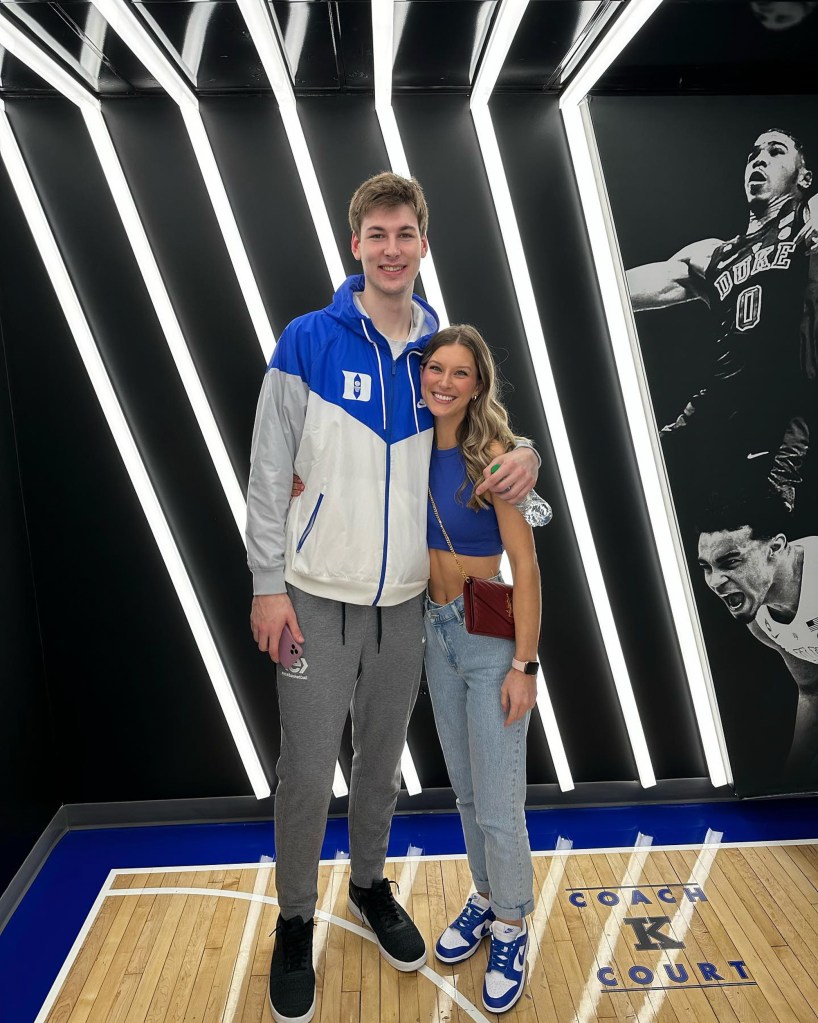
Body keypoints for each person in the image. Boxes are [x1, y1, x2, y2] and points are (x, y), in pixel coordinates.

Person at [246, 172, 540, 1023]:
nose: (391, 247)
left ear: (422, 243)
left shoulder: (431, 354)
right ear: (354, 244)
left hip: (408, 606)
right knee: (306, 769)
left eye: (405, 232)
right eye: (376, 233)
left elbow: (479, 432)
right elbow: (270, 472)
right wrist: (269, 585)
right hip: (315, 598)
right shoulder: (307, 339)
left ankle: (370, 885)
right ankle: (297, 918)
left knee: (379, 766)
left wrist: (529, 453)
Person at [420, 325, 541, 1014]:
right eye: (435, 367)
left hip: (487, 634)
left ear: (477, 383)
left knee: (499, 801)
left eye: (460, 372)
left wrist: (525, 662)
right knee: (466, 791)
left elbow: (525, 566)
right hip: (432, 631)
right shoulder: (404, 445)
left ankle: (514, 922)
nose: (444, 381)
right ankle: (487, 895)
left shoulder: (493, 455)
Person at [626, 129, 818, 515]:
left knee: (757, 544)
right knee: (637, 491)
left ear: (803, 176)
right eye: (752, 154)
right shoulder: (710, 255)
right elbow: (611, 289)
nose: (759, 159)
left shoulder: (806, 219)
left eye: (775, 152)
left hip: (785, 413)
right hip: (714, 411)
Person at [697, 498, 818, 779]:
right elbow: (812, 689)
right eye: (706, 567)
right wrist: (792, 779)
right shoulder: (761, 621)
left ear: (775, 547)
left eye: (730, 562)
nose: (715, 581)